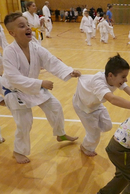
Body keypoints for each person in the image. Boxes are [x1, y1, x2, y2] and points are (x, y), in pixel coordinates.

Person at [2, 12, 81, 164]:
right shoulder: (9, 52)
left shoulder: (35, 47)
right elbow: (14, 78)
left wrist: (69, 71)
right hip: (15, 91)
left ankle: (60, 134)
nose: (28, 28)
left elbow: (51, 61)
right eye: (22, 26)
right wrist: (40, 83)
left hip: (31, 86)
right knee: (25, 122)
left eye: (27, 25)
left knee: (55, 106)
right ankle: (19, 151)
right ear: (12, 33)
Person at [72, 54, 130, 157]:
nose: (126, 80)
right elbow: (112, 99)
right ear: (111, 75)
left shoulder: (115, 80)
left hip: (96, 104)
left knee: (107, 126)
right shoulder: (98, 82)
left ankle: (92, 129)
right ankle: (85, 147)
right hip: (83, 107)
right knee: (94, 134)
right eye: (124, 77)